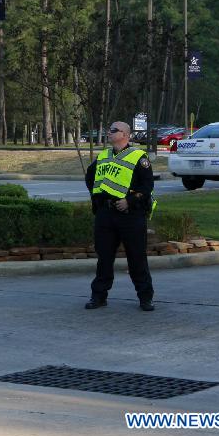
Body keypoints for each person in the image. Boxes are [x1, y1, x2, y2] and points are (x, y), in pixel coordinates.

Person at [84, 121, 155, 311]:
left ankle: (145, 298)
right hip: (105, 215)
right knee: (104, 258)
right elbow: (90, 178)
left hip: (130, 215)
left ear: (125, 134)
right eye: (109, 129)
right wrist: (97, 199)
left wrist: (129, 201)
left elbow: (147, 186)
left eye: (113, 130)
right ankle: (98, 296)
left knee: (136, 258)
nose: (109, 132)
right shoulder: (104, 155)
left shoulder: (139, 157)